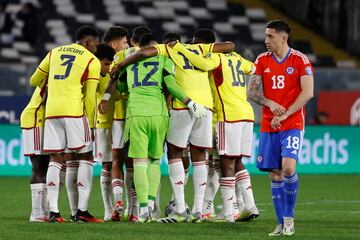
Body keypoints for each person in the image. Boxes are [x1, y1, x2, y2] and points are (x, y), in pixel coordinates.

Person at [102, 33, 235, 223]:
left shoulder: (149, 56)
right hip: (179, 111)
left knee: (147, 160)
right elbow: (171, 84)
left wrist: (120, 68)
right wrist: (191, 102)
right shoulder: (190, 51)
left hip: (141, 112)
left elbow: (122, 85)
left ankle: (147, 210)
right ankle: (199, 209)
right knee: (183, 158)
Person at [175, 29, 259, 222]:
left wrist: (181, 48)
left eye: (197, 45)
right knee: (235, 161)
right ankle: (247, 205)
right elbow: (254, 68)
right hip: (246, 113)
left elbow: (202, 63)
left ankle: (228, 211)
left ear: (205, 45)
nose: (196, 48)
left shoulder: (214, 58)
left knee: (224, 163)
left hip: (226, 115)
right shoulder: (237, 58)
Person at [247, 20, 314, 236]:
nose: (266, 41)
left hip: (292, 122)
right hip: (268, 125)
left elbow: (308, 93)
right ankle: (280, 224)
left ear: (283, 38)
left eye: (270, 36)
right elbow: (252, 92)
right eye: (266, 36)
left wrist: (285, 113)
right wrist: (270, 103)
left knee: (288, 168)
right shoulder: (262, 60)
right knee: (274, 173)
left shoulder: (299, 60)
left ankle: (288, 217)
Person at [29, 25, 102, 223]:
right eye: (96, 43)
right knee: (85, 156)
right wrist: (92, 123)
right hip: (74, 112)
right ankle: (82, 212)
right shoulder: (91, 60)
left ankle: (54, 212)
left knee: (56, 158)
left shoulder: (54, 52)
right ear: (88, 42)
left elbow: (34, 80)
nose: (98, 47)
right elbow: (89, 96)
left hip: (52, 112)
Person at [94, 26, 128, 221]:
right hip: (107, 121)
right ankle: (110, 210)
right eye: (124, 42)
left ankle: (119, 209)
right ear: (114, 44)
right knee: (110, 164)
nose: (127, 45)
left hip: (119, 118)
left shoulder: (124, 60)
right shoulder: (99, 63)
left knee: (115, 164)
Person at [20, 84, 50, 222]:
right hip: (35, 119)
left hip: (43, 120)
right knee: (38, 166)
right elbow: (45, 100)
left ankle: (45, 211)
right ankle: (36, 213)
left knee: (46, 167)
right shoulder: (51, 77)